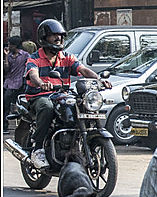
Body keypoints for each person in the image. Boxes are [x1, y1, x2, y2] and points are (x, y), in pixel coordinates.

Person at [23, 19, 110, 168]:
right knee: (47, 107)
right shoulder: (35, 58)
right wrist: (41, 83)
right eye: (54, 35)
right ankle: (38, 149)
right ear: (44, 37)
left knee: (80, 105)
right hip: (39, 96)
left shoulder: (67, 57)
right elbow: (33, 75)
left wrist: (99, 79)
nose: (59, 39)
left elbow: (83, 70)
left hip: (61, 95)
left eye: (61, 36)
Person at [3, 36, 29, 132]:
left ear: (15, 45)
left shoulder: (25, 55)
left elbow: (29, 66)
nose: (8, 46)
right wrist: (6, 56)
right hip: (9, 83)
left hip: (19, 83)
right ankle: (4, 126)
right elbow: (6, 69)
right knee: (5, 105)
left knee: (21, 106)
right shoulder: (9, 56)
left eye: (10, 44)